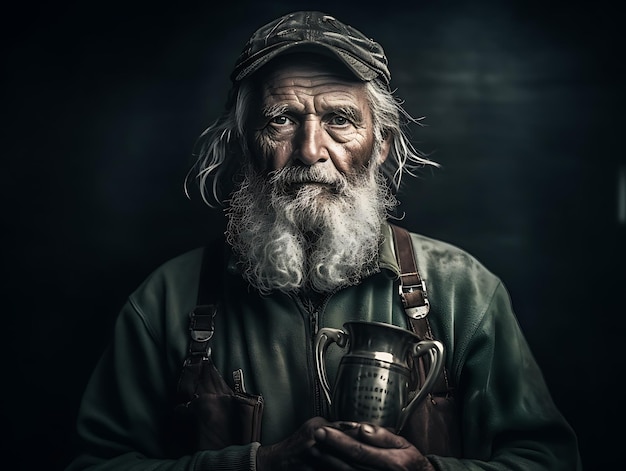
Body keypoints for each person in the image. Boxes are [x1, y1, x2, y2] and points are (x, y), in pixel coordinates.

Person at [65, 10, 582, 471]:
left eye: (339, 120)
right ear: (247, 144)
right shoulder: (165, 301)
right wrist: (255, 464)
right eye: (282, 119)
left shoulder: (462, 289)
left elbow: (548, 460)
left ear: (380, 146)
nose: (310, 149)